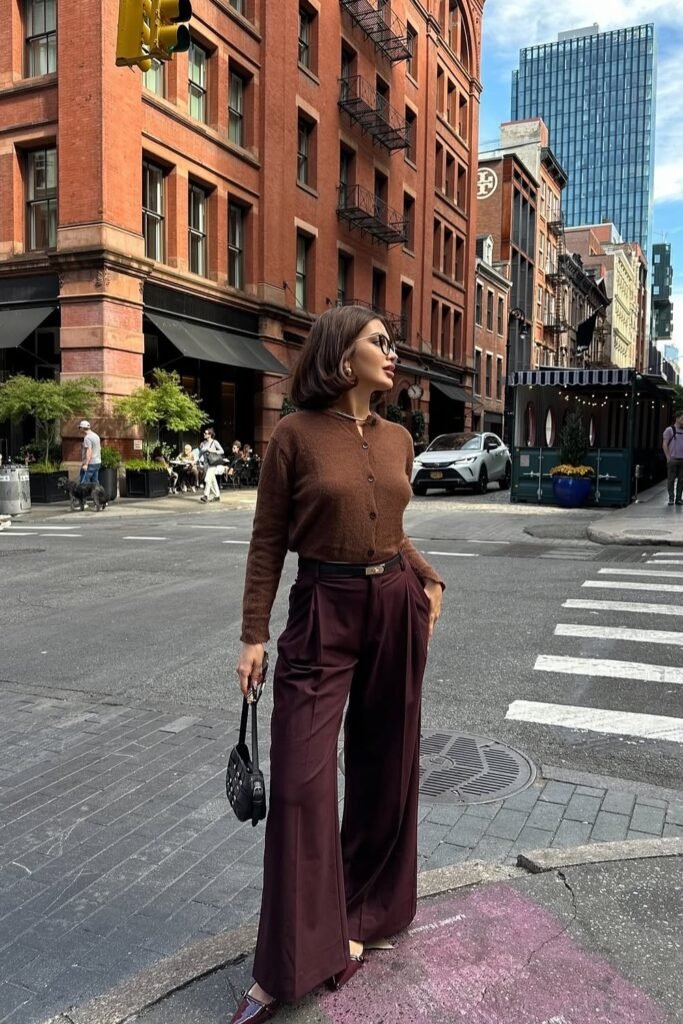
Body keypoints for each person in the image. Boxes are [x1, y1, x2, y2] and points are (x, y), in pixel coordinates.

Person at [231, 306, 444, 1024]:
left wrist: (424, 575)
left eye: (392, 341)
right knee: (298, 783)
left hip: (393, 602)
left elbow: (392, 523)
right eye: (379, 342)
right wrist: (252, 635)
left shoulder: (397, 438)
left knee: (388, 761)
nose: (393, 351)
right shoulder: (293, 435)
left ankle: (367, 910)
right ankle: (286, 965)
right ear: (340, 354)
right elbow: (267, 540)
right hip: (321, 607)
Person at [663, 410, 683, 506]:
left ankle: (678, 498)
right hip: (673, 459)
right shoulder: (670, 430)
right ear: (677, 418)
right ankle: (671, 498)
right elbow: (665, 444)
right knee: (671, 479)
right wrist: (668, 457)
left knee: (681, 480)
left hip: (682, 459)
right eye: (682, 418)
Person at [199, 428, 224, 503]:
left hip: (213, 464)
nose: (204, 434)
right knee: (212, 480)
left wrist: (213, 450)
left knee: (207, 479)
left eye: (206, 433)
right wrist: (197, 460)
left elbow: (221, 451)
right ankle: (217, 496)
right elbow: (200, 453)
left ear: (210, 435)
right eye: (204, 433)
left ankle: (205, 495)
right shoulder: (203, 443)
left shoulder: (214, 442)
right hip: (206, 464)